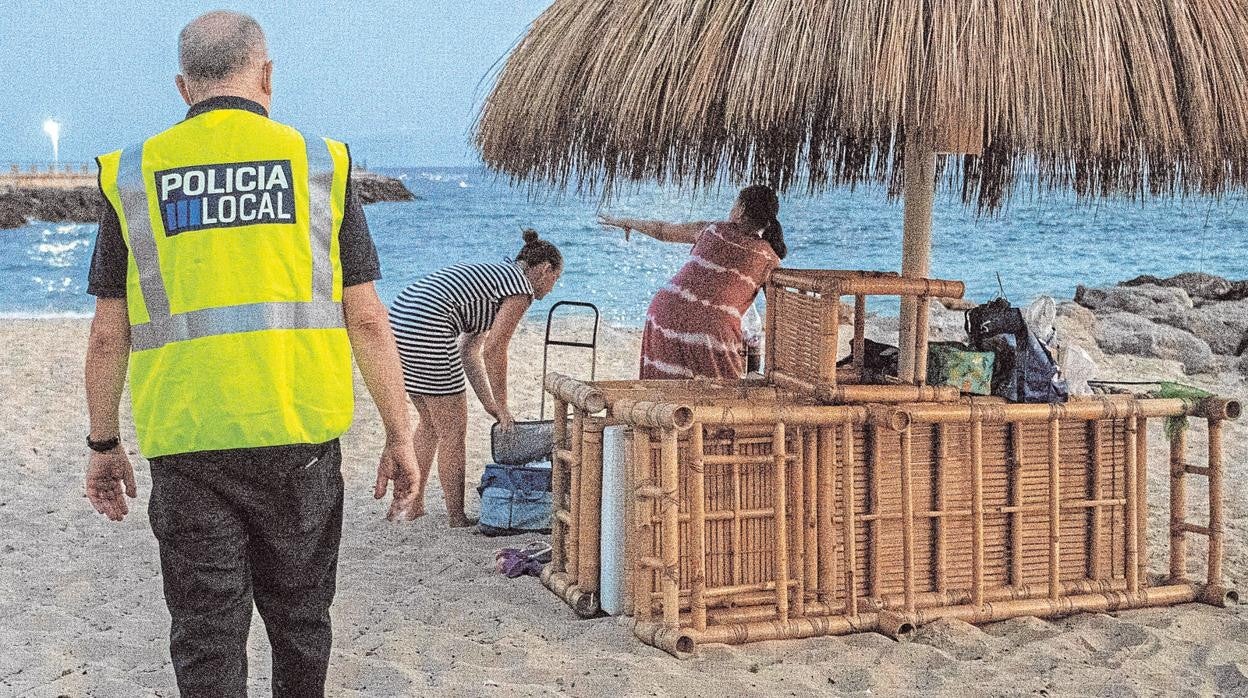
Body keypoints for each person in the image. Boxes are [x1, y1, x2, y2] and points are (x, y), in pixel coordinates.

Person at [82, 11, 422, 697]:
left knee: (207, 637)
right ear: (266, 75)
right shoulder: (319, 164)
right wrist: (399, 431)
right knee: (300, 623)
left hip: (188, 442)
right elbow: (366, 318)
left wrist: (103, 441)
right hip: (300, 438)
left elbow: (107, 335)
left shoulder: (134, 174)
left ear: (184, 88)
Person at [389, 229, 563, 527]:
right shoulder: (521, 288)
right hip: (426, 324)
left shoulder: (497, 278)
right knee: (453, 431)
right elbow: (496, 350)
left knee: (430, 424)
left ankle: (411, 503)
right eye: (555, 279)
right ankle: (456, 517)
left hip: (400, 318)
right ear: (545, 269)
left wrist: (489, 403)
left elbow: (470, 351)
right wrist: (505, 405)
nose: (552, 288)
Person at [599, 184, 787, 379]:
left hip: (662, 313)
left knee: (664, 390)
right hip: (711, 328)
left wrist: (627, 222)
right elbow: (780, 313)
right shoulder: (770, 259)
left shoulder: (712, 229)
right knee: (722, 397)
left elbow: (663, 231)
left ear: (740, 210)